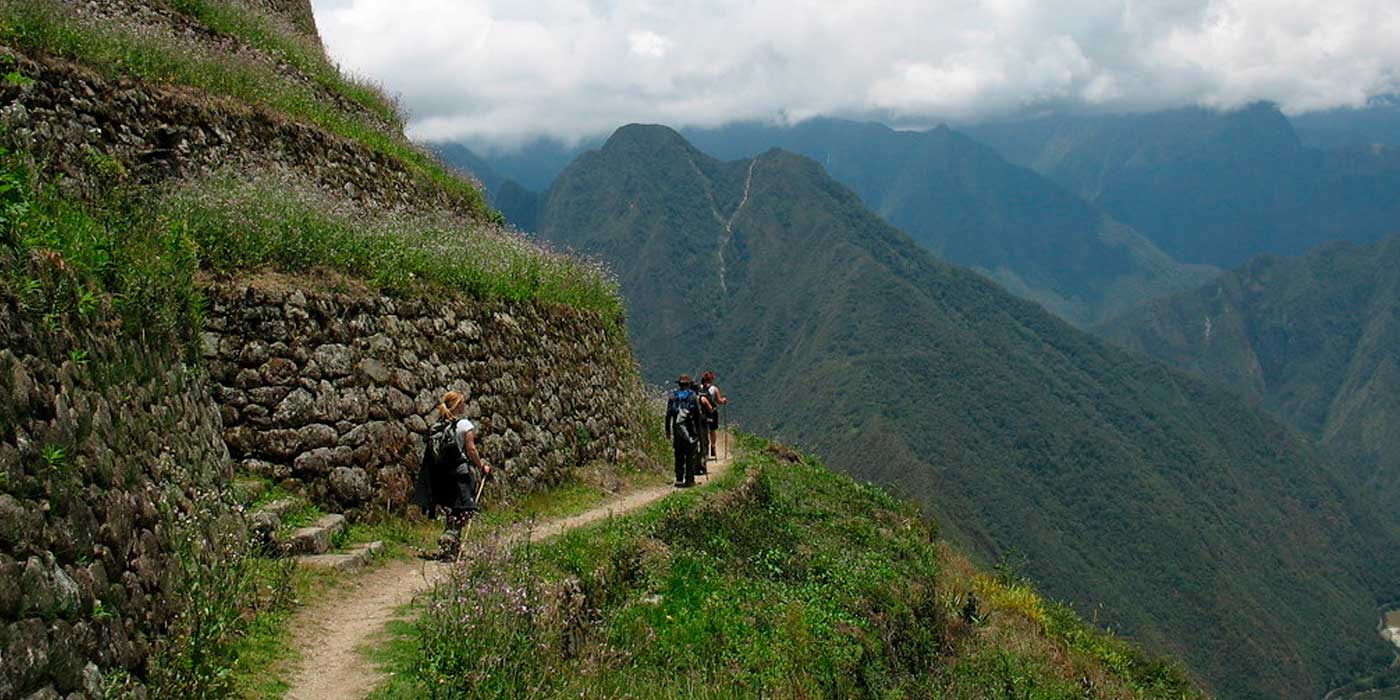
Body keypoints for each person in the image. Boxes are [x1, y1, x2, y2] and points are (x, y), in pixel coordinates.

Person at [411, 390, 494, 560]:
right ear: (458, 405)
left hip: (442, 474)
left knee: (451, 508)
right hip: (460, 472)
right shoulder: (464, 425)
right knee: (465, 507)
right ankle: (450, 536)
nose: (465, 405)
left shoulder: (440, 424)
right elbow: (471, 449)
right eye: (463, 402)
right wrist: (481, 466)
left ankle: (451, 546)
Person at [665, 375, 705, 488]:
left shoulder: (673, 397)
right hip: (690, 431)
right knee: (690, 456)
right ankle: (689, 479)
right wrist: (699, 432)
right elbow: (697, 416)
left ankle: (679, 477)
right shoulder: (692, 397)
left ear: (679, 384)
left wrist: (667, 430)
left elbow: (668, 415)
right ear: (689, 384)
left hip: (677, 432)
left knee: (678, 455)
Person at [699, 371, 728, 460]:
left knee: (702, 430)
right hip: (712, 412)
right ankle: (713, 445)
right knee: (712, 430)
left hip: (701, 413)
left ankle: (703, 448)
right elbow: (719, 401)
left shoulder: (699, 388)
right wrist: (724, 400)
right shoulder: (714, 389)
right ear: (711, 379)